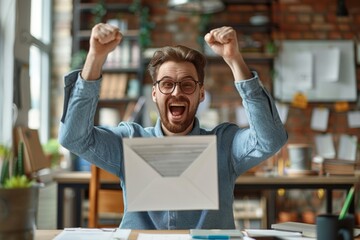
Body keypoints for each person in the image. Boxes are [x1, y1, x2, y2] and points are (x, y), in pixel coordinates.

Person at [59, 23, 287, 229]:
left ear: (201, 94)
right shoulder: (130, 142)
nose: (177, 92)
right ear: (155, 93)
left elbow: (271, 139)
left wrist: (234, 59)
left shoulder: (224, 146)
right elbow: (73, 138)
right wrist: (95, 58)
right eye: (167, 84)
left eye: (187, 85)